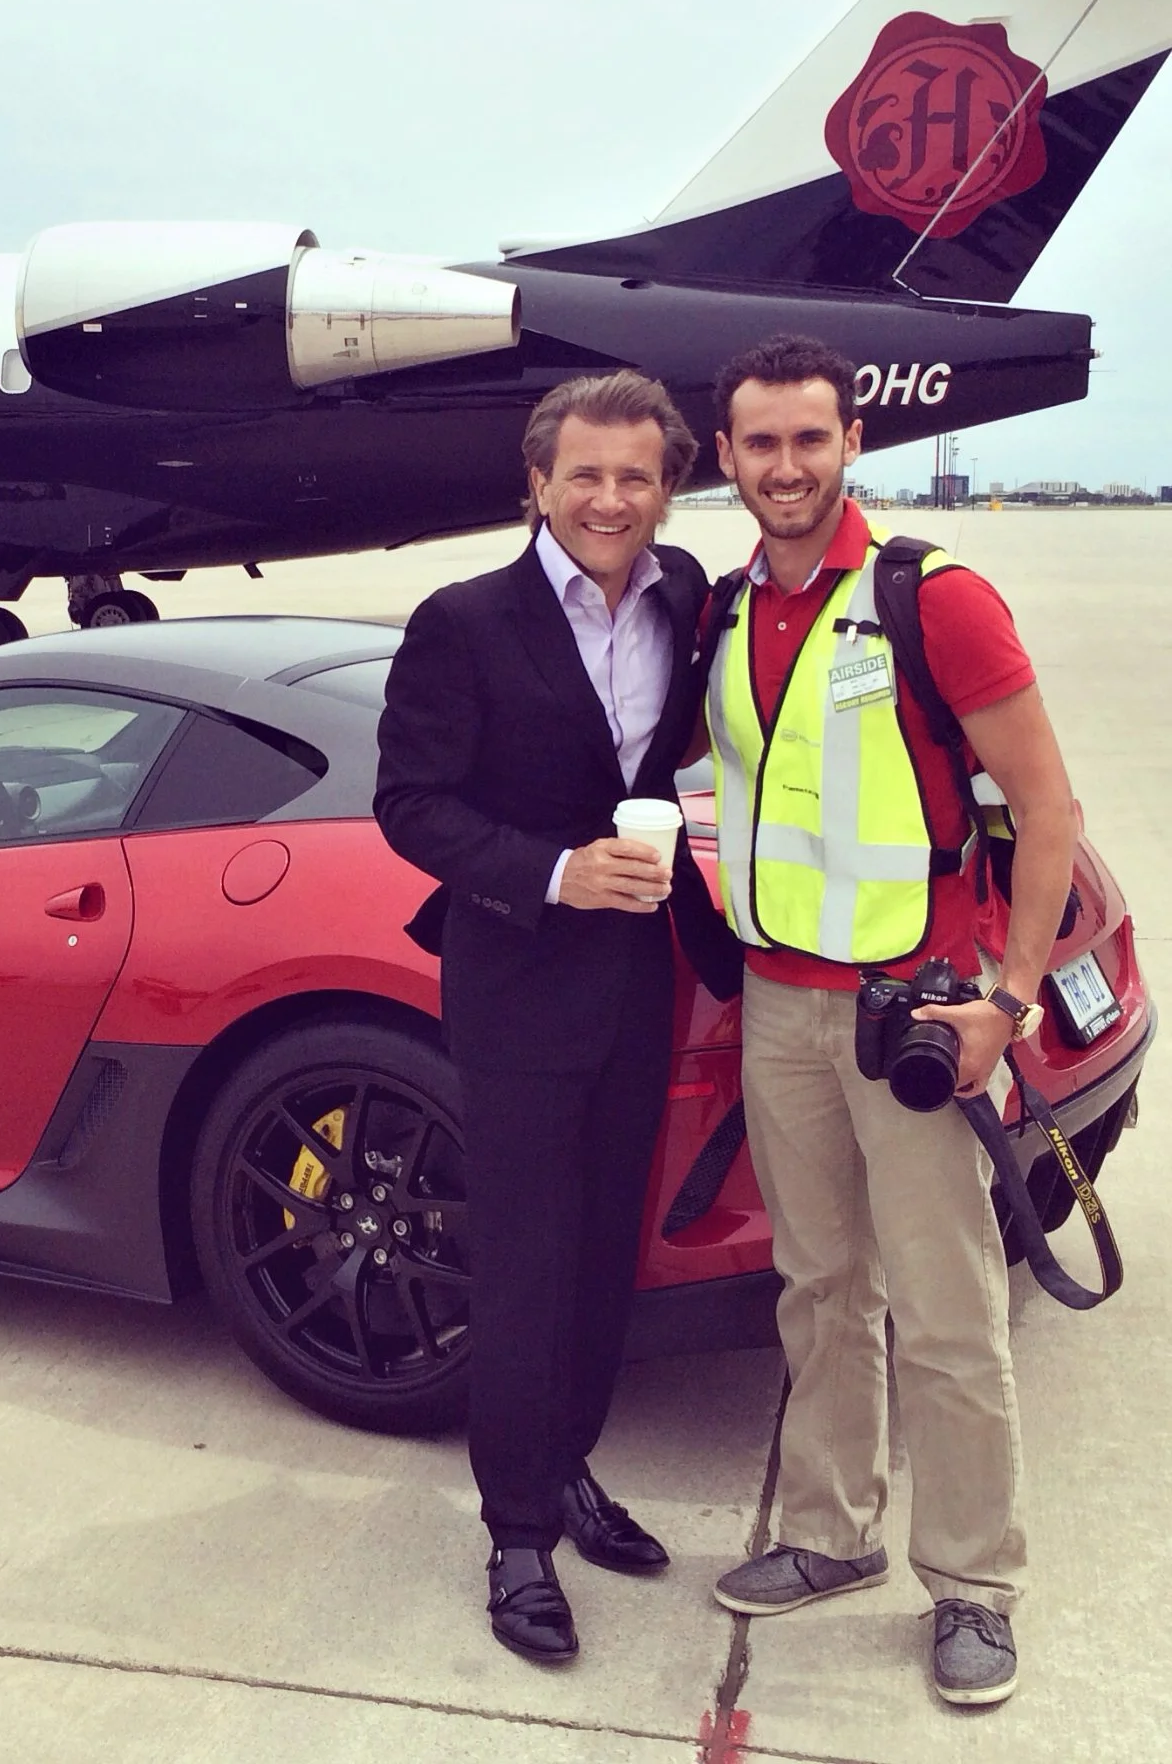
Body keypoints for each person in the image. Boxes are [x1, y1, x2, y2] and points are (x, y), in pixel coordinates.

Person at [703, 334, 1077, 1709]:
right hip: (779, 1004)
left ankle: (974, 1584)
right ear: (727, 455)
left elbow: (1048, 811)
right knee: (819, 1289)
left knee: (947, 1310)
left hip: (913, 1008)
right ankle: (828, 1531)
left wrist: (1009, 1003)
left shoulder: (932, 599)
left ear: (852, 442)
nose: (786, 466)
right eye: (760, 443)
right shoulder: (727, 611)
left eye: (810, 439)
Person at [375, 369, 738, 1663]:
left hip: (639, 978)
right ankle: (517, 1533)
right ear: (538, 482)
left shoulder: (683, 595)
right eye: (584, 473)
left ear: (668, 489)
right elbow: (409, 804)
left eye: (636, 476)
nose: (609, 498)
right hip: (521, 983)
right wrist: (552, 873)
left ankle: (569, 1462)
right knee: (527, 1263)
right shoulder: (465, 621)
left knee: (601, 1254)